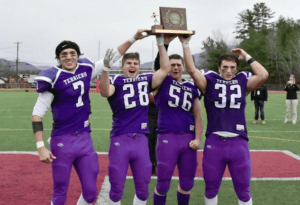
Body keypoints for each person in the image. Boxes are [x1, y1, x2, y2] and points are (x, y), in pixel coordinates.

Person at [31, 30, 142, 205]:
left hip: (84, 139)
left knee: (91, 193)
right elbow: (37, 115)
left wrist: (134, 37)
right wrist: (40, 147)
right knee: (60, 191)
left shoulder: (86, 69)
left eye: (72, 54)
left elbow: (112, 57)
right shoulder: (53, 79)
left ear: (78, 55)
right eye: (64, 54)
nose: (69, 57)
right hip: (62, 140)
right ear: (59, 58)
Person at [181, 35, 269, 205]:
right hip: (215, 142)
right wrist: (185, 43)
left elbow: (263, 74)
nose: (229, 71)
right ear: (219, 68)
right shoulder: (209, 82)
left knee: (243, 190)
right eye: (225, 67)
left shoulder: (243, 82)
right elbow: (191, 70)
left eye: (232, 67)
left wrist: (247, 56)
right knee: (211, 188)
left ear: (236, 68)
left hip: (239, 142)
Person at [99, 32, 171, 205]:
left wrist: (161, 42)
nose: (132, 66)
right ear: (122, 67)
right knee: (116, 187)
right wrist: (105, 69)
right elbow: (104, 91)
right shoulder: (116, 81)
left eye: (135, 63)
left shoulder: (145, 80)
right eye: (129, 63)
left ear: (139, 67)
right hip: (120, 139)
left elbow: (165, 69)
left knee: (143, 186)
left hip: (141, 140)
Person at [152, 35, 203, 205]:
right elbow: (158, 65)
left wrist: (197, 138)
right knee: (163, 183)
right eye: (171, 65)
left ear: (183, 68)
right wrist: (163, 43)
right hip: (167, 137)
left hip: (188, 139)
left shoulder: (191, 87)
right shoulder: (162, 82)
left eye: (178, 65)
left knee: (187, 183)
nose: (174, 68)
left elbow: (198, 115)